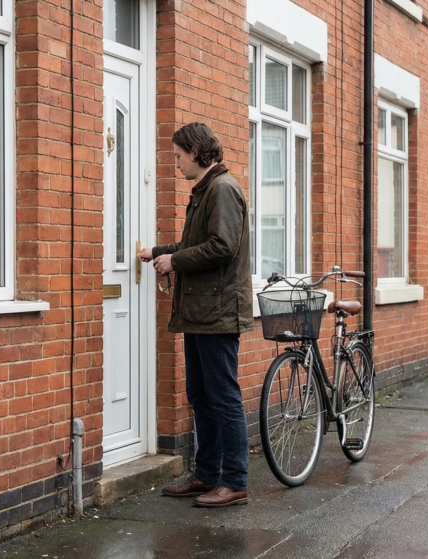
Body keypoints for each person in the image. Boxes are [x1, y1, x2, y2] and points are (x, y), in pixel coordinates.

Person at [137, 122, 254, 507]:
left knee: (223, 397)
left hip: (218, 312)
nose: (176, 164)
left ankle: (234, 480)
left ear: (195, 152)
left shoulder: (222, 189)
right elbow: (195, 244)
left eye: (177, 156)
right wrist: (158, 252)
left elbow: (221, 246)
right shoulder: (206, 190)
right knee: (201, 395)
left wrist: (175, 261)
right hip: (202, 311)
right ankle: (206, 475)